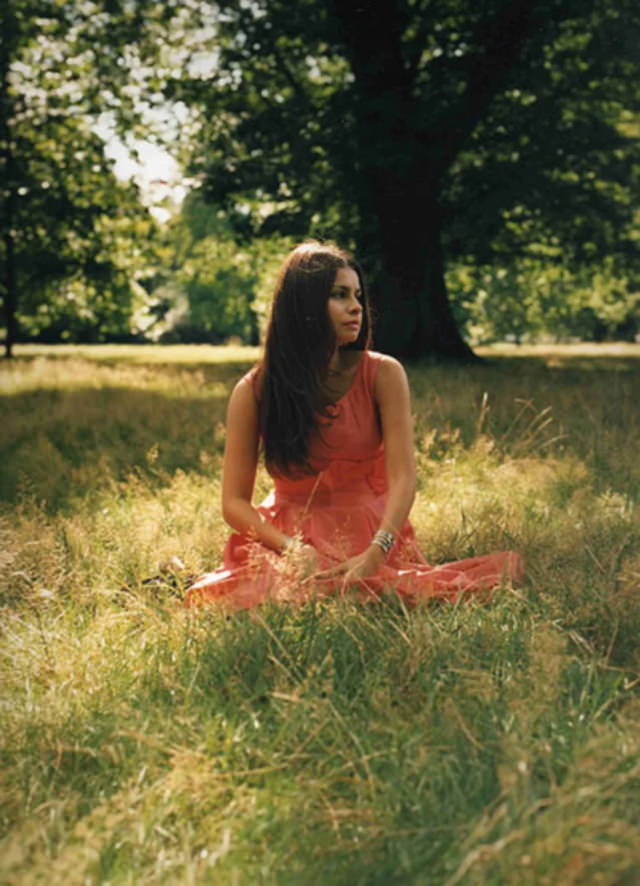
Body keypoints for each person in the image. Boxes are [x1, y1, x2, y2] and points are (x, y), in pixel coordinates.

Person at [185, 241, 523, 610]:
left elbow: (403, 480)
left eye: (358, 295)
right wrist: (291, 549)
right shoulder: (254, 391)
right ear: (304, 306)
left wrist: (379, 550)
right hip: (286, 539)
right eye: (339, 295)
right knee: (251, 598)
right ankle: (182, 576)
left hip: (367, 532)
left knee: (375, 594)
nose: (357, 307)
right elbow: (233, 503)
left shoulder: (383, 374)